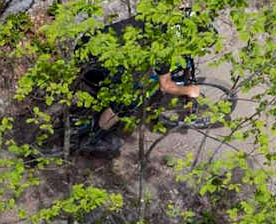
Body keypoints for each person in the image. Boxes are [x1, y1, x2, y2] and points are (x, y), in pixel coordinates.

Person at [72, 16, 204, 144]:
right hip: (95, 64)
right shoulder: (163, 49)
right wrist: (188, 90)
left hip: (87, 45)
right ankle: (94, 139)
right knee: (129, 100)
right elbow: (165, 86)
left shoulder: (161, 15)